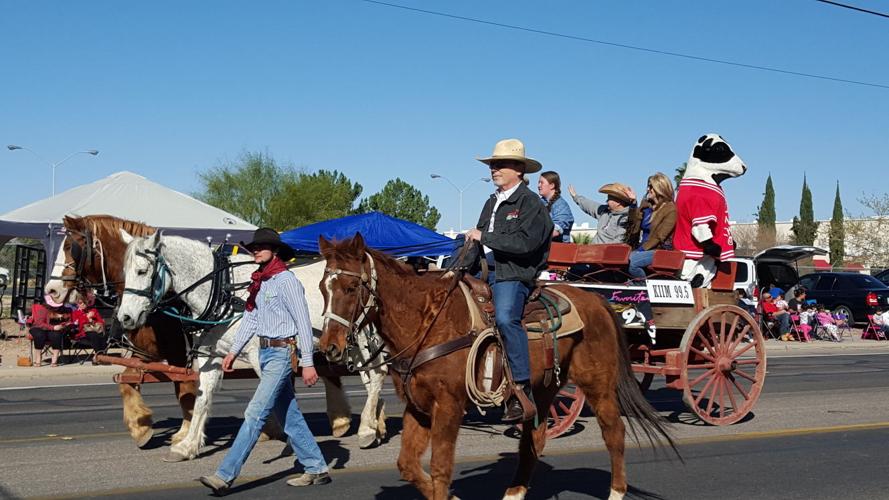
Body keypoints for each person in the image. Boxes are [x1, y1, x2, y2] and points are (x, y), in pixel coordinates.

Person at [199, 228, 330, 495]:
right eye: (254, 248)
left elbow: (303, 323)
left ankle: (224, 475)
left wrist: (308, 362)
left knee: (255, 413)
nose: (255, 251)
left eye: (261, 247)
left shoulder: (286, 281)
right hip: (265, 353)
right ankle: (316, 467)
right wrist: (233, 352)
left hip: (282, 354)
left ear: (275, 251)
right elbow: (251, 320)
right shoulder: (262, 281)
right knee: (289, 417)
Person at [464, 138, 553, 423]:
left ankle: (520, 389)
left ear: (518, 169)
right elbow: (479, 238)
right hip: (485, 268)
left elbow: (526, 245)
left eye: (499, 165)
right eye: (492, 165)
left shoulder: (531, 204)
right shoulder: (492, 201)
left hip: (514, 272)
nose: (493, 169)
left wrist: (484, 237)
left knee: (504, 318)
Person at [625, 173, 677, 278]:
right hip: (641, 248)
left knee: (632, 263)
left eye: (651, 187)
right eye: (648, 186)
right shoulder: (646, 207)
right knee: (620, 259)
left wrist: (640, 251)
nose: (648, 189)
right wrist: (633, 204)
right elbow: (632, 225)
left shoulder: (671, 209)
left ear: (660, 188)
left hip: (659, 250)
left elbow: (660, 236)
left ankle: (641, 286)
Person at [568, 182, 635, 244]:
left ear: (618, 202)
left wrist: (603, 251)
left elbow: (618, 241)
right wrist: (576, 197)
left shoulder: (625, 218)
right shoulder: (604, 211)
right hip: (594, 251)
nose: (606, 201)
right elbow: (590, 205)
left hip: (607, 254)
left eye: (609, 199)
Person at [29, 294, 72, 367]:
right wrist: (53, 327)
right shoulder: (42, 308)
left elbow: (69, 321)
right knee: (39, 334)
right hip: (39, 327)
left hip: (54, 329)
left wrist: (62, 325)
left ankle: (54, 358)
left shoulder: (64, 310)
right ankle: (38, 357)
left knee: (56, 335)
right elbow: (40, 323)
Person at [70, 292, 107, 364]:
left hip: (96, 330)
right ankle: (99, 356)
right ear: (77, 304)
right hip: (83, 333)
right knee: (93, 335)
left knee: (103, 334)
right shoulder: (75, 313)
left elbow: (101, 322)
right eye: (80, 303)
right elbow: (77, 325)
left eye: (84, 302)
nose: (83, 304)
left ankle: (99, 356)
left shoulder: (93, 310)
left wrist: (92, 321)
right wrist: (87, 318)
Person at [538, 171, 574, 243]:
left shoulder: (561, 206)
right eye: (538, 182)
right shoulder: (538, 203)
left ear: (552, 185)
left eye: (541, 182)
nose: (539, 185)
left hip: (557, 250)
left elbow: (555, 231)